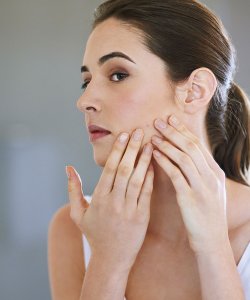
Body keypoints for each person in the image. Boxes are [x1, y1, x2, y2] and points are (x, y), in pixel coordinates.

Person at [48, 0, 250, 299]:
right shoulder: (74, 230)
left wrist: (212, 248)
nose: (85, 101)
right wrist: (107, 262)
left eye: (118, 75)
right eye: (86, 81)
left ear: (195, 91)